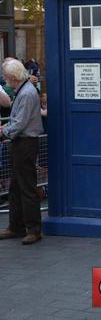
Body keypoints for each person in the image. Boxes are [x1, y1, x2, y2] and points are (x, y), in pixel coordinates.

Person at [0, 59, 43, 245]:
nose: (4, 78)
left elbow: (20, 123)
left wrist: (4, 130)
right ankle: (16, 226)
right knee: (16, 187)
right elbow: (18, 120)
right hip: (21, 142)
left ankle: (33, 229)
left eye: (5, 76)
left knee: (26, 187)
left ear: (11, 76)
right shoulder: (24, 90)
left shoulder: (25, 93)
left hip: (24, 143)